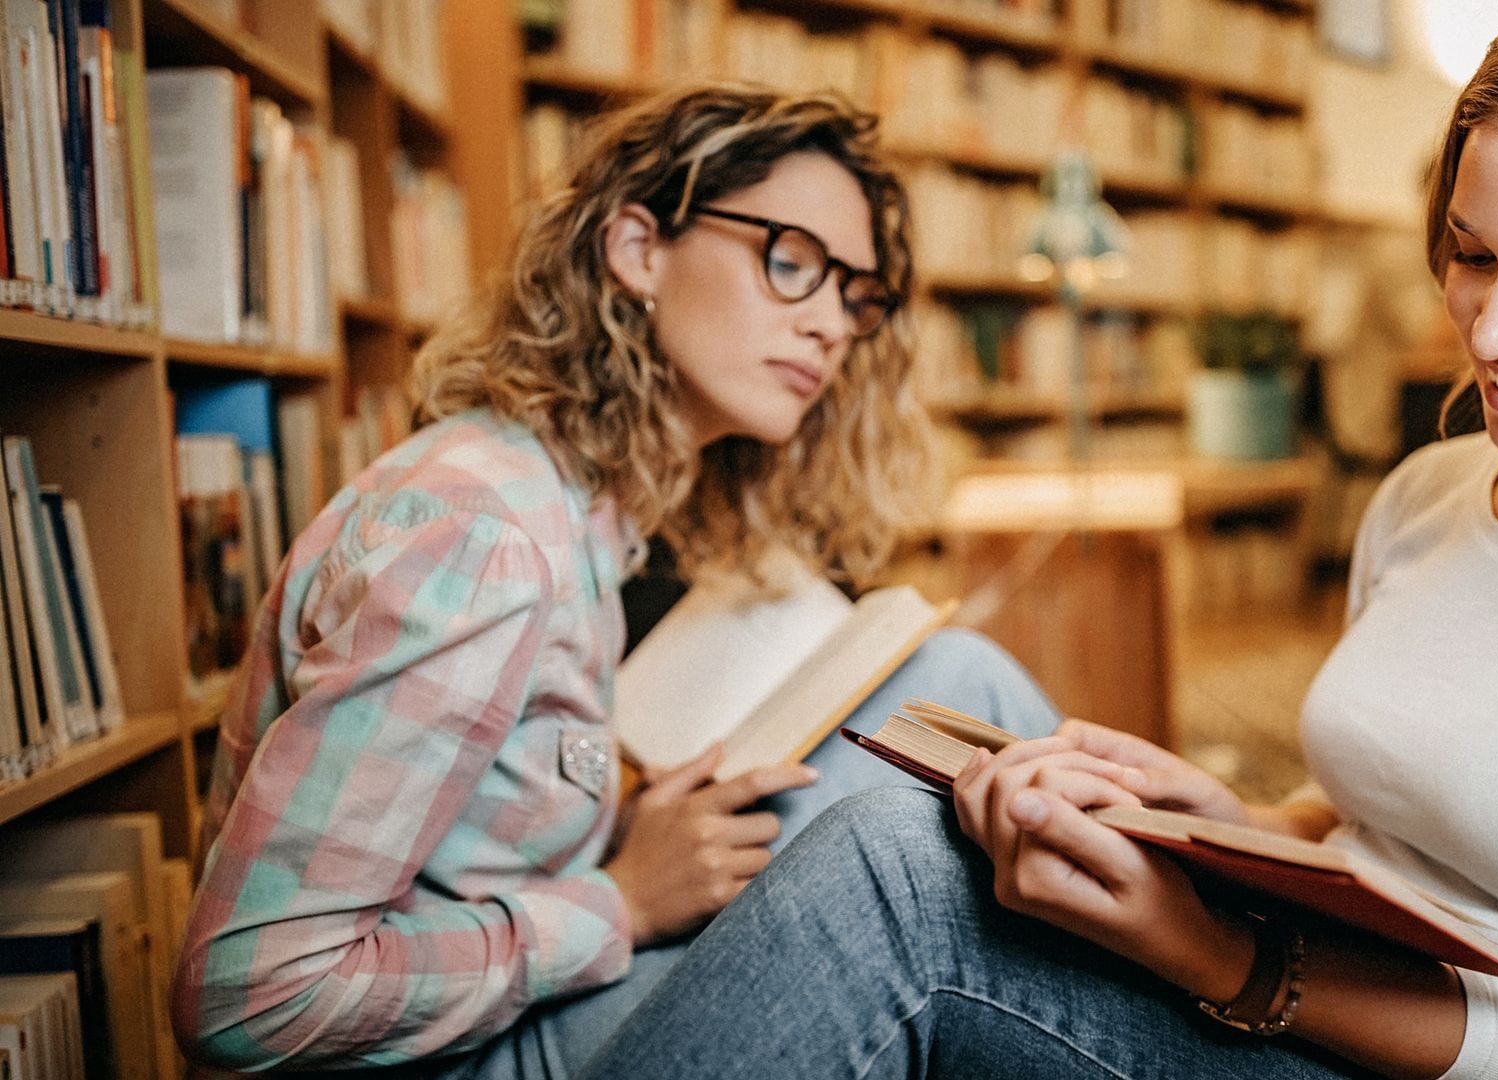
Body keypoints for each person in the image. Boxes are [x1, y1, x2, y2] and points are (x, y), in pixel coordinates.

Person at [580, 3, 1498, 1078]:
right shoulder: (1434, 494)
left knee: (892, 875)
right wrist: (1220, 824)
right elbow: (1388, 825)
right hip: (1296, 984)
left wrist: (1210, 948)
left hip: (1463, 1056)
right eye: (1468, 255)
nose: (1494, 330)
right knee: (931, 731)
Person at [168, 85, 1060, 1076]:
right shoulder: (482, 536)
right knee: (918, 823)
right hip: (482, 1059)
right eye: (791, 262)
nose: (831, 327)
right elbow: (248, 996)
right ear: (639, 249)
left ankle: (1212, 947)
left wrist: (624, 832)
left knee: (951, 685)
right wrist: (622, 899)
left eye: (854, 294)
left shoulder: (581, 509)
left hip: (526, 1012)